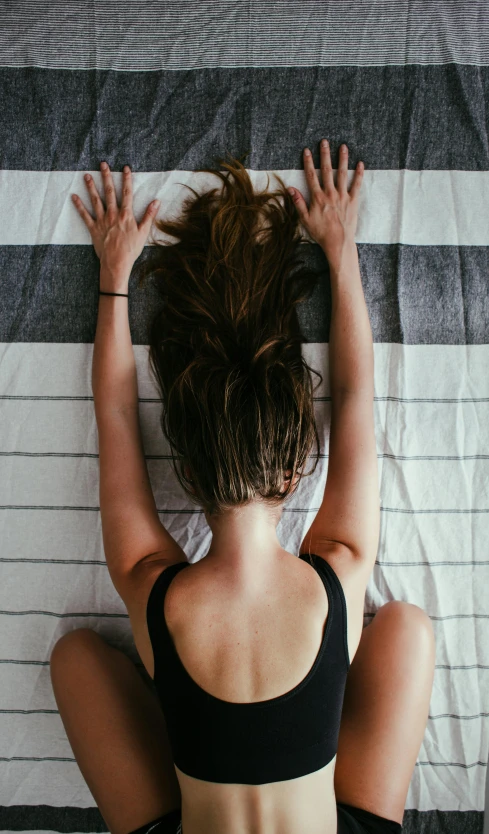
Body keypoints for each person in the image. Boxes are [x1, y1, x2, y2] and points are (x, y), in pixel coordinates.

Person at [50, 141, 436, 834]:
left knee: (75, 655)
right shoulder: (340, 572)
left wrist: (113, 278)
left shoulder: (154, 586)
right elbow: (354, 399)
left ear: (190, 473)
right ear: (293, 473)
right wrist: (340, 252)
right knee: (404, 625)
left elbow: (112, 415)